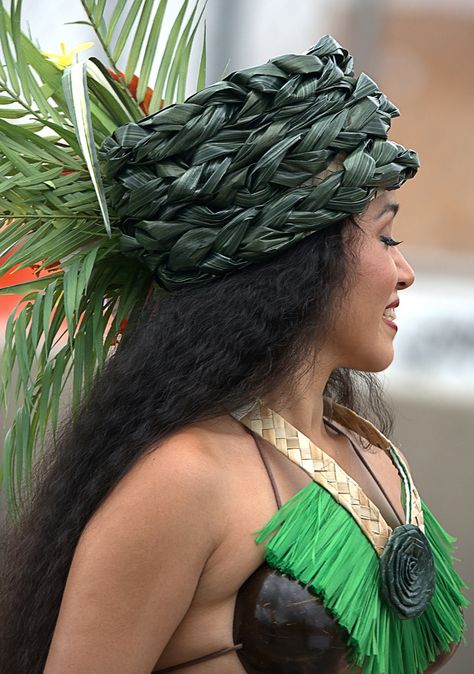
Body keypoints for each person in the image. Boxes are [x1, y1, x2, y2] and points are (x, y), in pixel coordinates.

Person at [0, 35, 468, 674]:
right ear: (299, 257)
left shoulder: (374, 456)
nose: (406, 271)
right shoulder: (184, 481)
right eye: (385, 236)